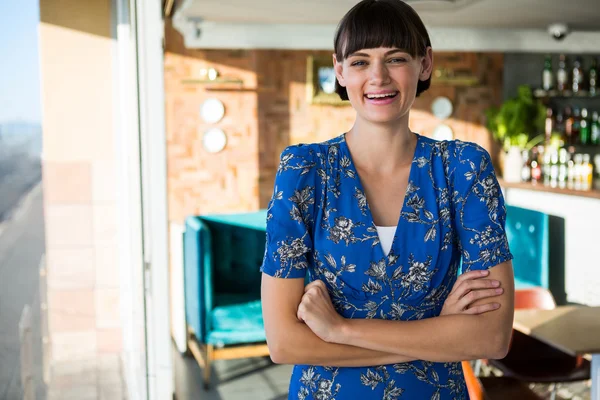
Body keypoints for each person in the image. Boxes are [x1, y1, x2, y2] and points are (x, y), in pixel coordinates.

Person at [260, 0, 515, 398]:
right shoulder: (305, 171)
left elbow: (492, 338)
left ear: (424, 64)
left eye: (395, 58)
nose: (378, 77)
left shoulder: (462, 169)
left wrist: (340, 329)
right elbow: (283, 343)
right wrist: (438, 335)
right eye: (360, 62)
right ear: (340, 71)